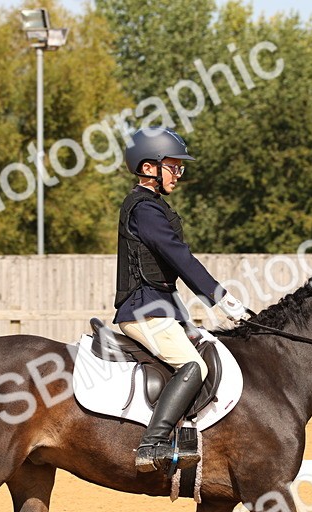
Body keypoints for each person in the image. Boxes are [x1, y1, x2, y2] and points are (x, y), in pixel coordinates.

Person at [114, 127, 249, 473]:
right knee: (194, 366)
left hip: (158, 307)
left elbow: (163, 274)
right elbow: (178, 256)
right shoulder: (144, 209)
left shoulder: (155, 207)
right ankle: (152, 443)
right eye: (173, 166)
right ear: (148, 168)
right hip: (143, 310)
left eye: (179, 167)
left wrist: (185, 317)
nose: (178, 174)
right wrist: (220, 297)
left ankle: (188, 432)